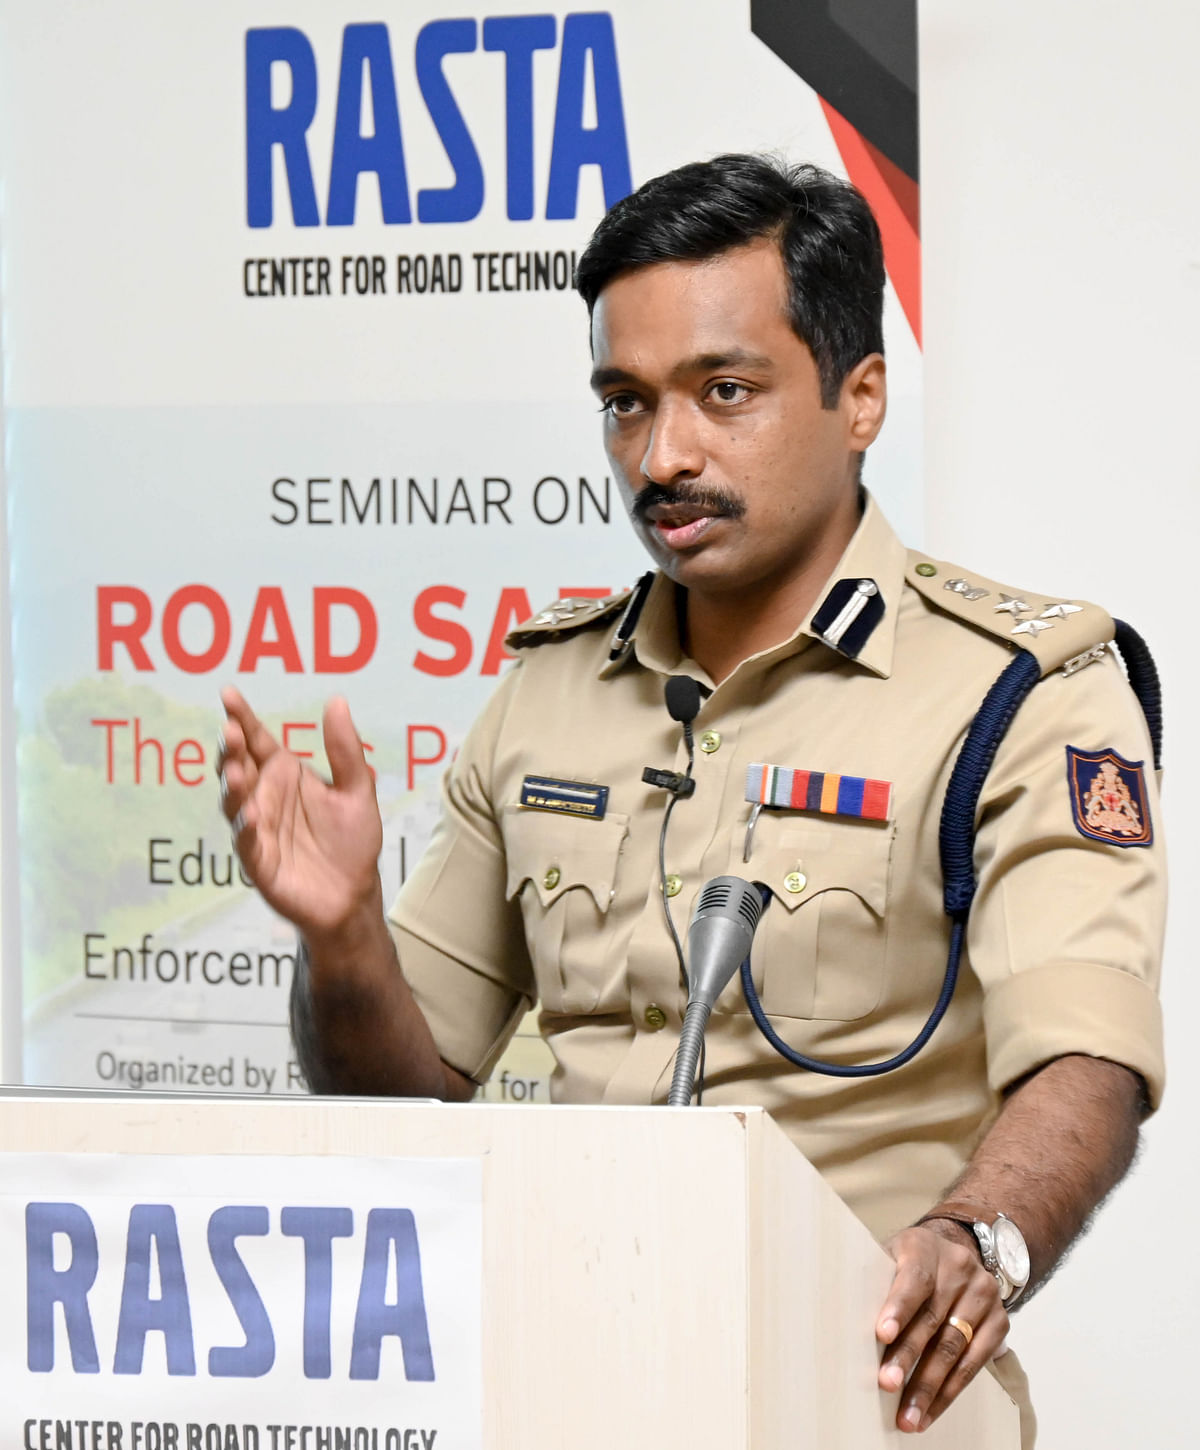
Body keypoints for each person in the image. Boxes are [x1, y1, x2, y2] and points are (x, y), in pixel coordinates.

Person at [218, 154, 1165, 1445]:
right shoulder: (544, 691)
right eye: (625, 403)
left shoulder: (1024, 689)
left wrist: (973, 1239)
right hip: (560, 1387)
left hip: (865, 1404)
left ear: (862, 395)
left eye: (725, 393)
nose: (662, 455)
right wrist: (340, 937)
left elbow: (1084, 1058)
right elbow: (407, 1082)